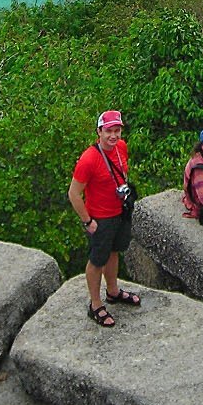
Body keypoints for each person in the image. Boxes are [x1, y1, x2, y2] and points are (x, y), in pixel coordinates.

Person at [68, 109, 141, 328]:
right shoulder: (89, 159)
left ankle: (113, 291)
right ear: (99, 131)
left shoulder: (121, 148)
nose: (113, 135)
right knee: (97, 260)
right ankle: (96, 305)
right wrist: (87, 221)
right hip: (100, 218)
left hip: (119, 212)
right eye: (109, 131)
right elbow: (73, 193)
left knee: (114, 252)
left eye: (117, 130)